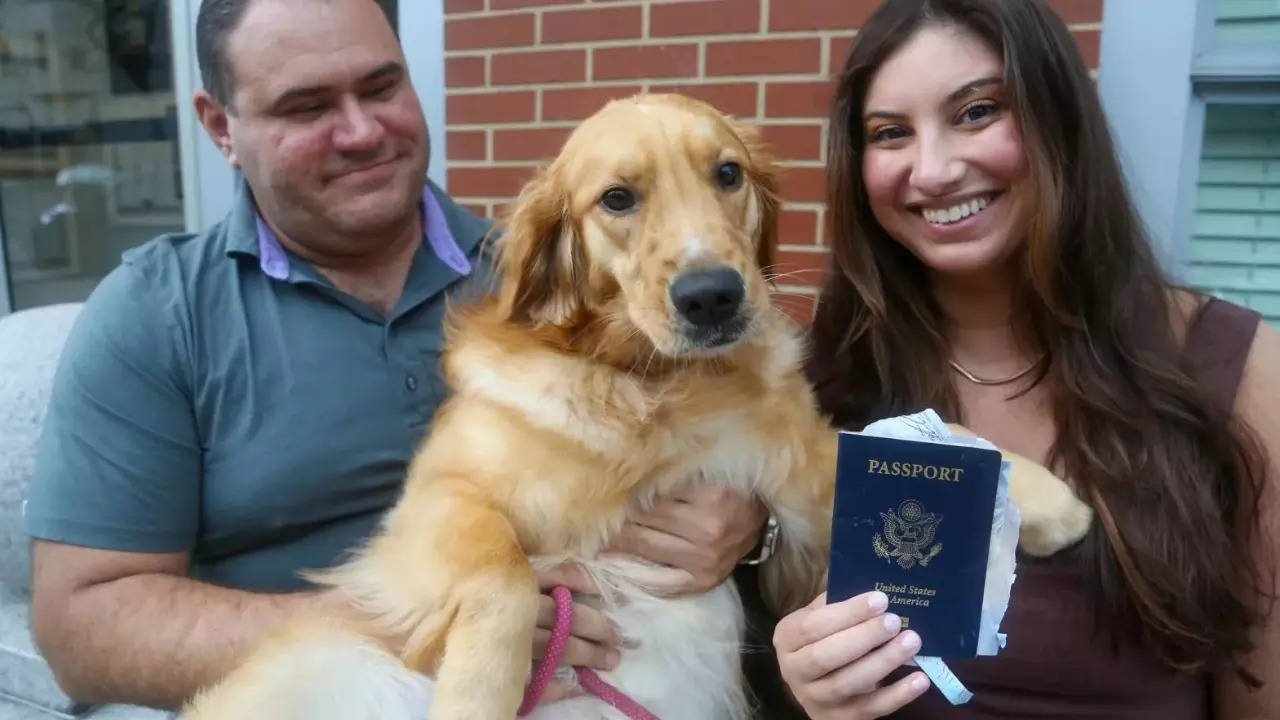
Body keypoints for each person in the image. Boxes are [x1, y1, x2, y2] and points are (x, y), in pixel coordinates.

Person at [23, 0, 767, 711]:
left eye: (382, 87)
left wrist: (750, 525)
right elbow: (80, 627)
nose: (361, 131)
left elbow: (753, 426)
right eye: (306, 107)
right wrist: (410, 624)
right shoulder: (159, 311)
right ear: (221, 126)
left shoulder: (557, 272)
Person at [771, 0, 1280, 718]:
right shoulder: (821, 379)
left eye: (977, 112)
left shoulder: (1233, 369)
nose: (935, 169)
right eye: (890, 133)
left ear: (1056, 118)